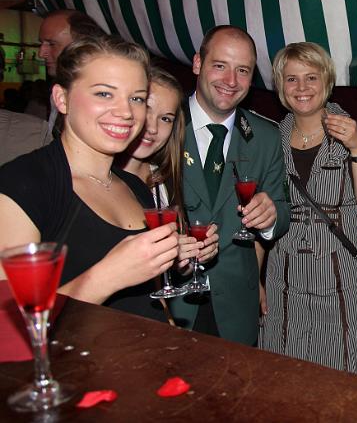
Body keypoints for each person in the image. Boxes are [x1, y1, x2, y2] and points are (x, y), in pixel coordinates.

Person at [0, 35, 180, 320]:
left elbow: (151, 301)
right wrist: (108, 276)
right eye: (104, 94)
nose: (126, 112)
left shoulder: (134, 187)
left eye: (136, 98)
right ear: (62, 99)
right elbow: (11, 328)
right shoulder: (24, 184)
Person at [258, 42, 357, 379]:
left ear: (327, 82)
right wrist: (255, 281)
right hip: (284, 279)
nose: (301, 87)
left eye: (311, 77)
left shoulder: (354, 130)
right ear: (280, 86)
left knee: (350, 378)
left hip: (343, 276)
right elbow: (260, 217)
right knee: (289, 378)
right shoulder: (270, 139)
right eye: (291, 79)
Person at [168, 25, 289, 346]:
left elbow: (282, 210)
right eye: (220, 65)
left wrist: (270, 218)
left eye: (243, 71)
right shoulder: (163, 124)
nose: (231, 81)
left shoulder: (265, 136)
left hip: (235, 306)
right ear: (198, 64)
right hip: (170, 301)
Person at [117, 66, 220, 279]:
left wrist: (189, 257)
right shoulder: (95, 180)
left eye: (166, 119)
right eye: (147, 109)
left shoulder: (163, 181)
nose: (153, 128)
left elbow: (172, 272)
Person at [38, 10, 106, 136]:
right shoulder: (60, 91)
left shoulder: (104, 95)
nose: (41, 53)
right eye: (41, 44)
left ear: (82, 46)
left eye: (52, 44)